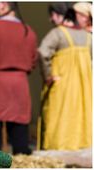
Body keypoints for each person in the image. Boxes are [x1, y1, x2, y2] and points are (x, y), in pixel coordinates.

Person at [0, 2, 38, 155]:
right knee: (19, 135)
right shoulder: (28, 31)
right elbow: (33, 60)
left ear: (4, 4)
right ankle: (21, 162)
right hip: (20, 84)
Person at [38, 5, 92, 150]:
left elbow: (43, 52)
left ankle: (57, 150)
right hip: (84, 88)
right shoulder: (88, 37)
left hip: (62, 86)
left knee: (59, 119)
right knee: (80, 118)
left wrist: (48, 76)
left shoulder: (57, 34)